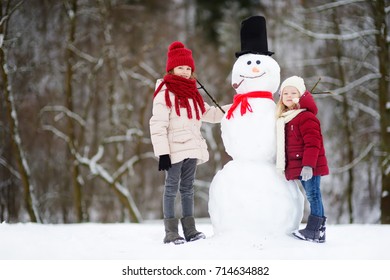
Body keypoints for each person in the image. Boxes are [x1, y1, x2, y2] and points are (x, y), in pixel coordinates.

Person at [149, 41, 230, 245]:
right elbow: (157, 124)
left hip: (192, 148)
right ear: (171, 68)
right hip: (174, 150)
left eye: (188, 68)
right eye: (180, 68)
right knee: (171, 189)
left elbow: (209, 114)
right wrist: (163, 153)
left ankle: (190, 230)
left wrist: (236, 107)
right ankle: (171, 232)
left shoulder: (193, 93)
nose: (185, 72)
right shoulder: (165, 92)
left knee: (188, 189)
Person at [275, 76, 329, 243]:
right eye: (285, 93)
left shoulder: (306, 117)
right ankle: (316, 230)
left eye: (293, 92)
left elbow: (313, 143)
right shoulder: (288, 117)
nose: (289, 96)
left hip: (309, 166)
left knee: (313, 195)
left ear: (301, 95)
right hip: (301, 165)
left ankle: (316, 231)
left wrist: (308, 165)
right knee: (311, 194)